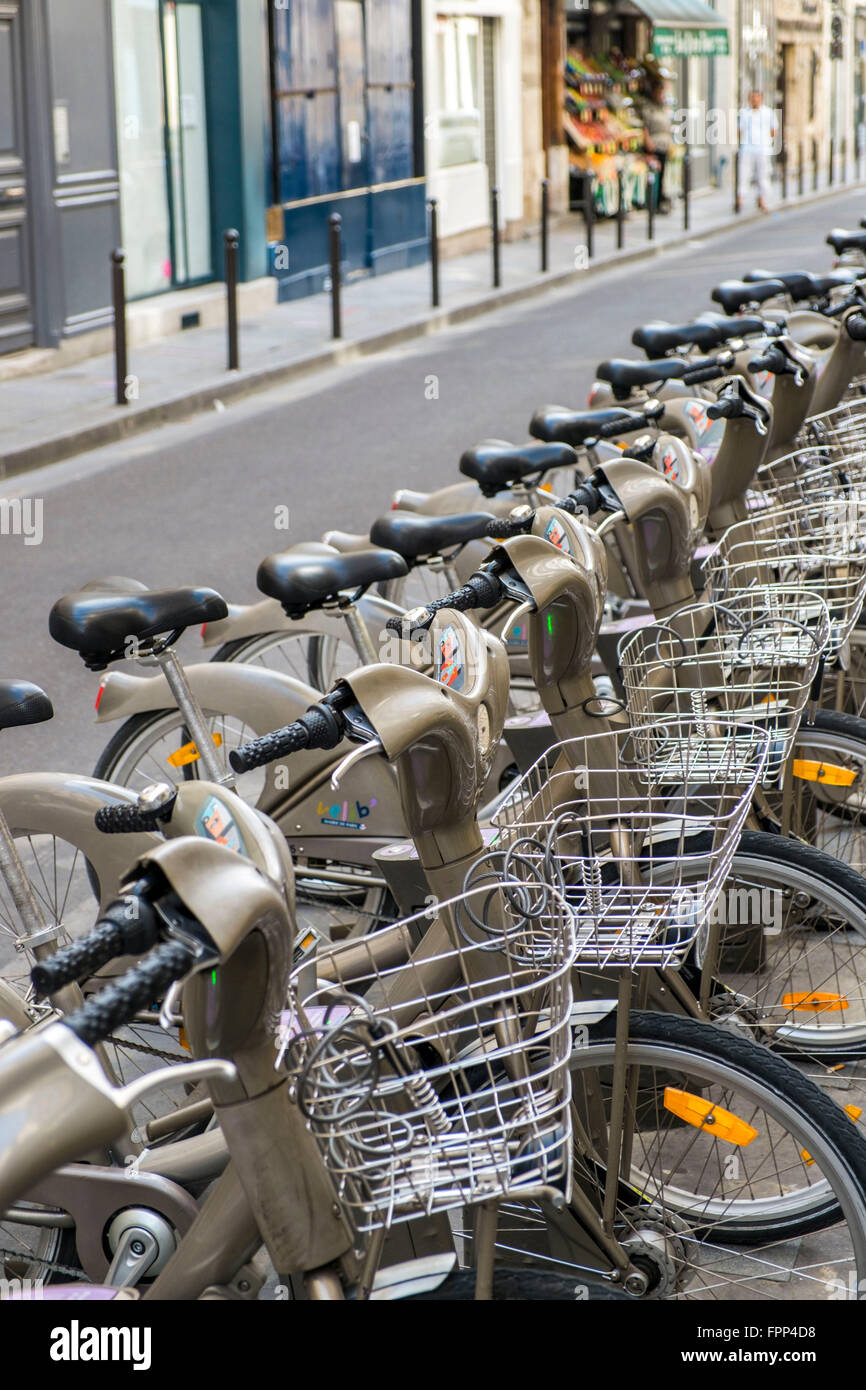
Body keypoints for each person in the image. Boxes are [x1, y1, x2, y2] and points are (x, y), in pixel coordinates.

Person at [737, 89, 776, 213]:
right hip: (747, 148)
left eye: (757, 98)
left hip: (763, 148)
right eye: (753, 98)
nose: (755, 100)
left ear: (761, 99)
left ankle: (761, 199)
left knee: (763, 174)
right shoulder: (744, 113)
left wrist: (766, 141)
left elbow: (773, 129)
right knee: (744, 173)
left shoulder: (768, 113)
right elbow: (740, 130)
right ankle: (740, 199)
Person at [641, 76, 673, 213]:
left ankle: (659, 200)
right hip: (654, 146)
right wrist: (648, 141)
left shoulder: (662, 107)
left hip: (663, 145)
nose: (661, 95)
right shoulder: (648, 108)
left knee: (662, 175)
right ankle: (652, 202)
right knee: (654, 175)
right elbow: (644, 126)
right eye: (660, 92)